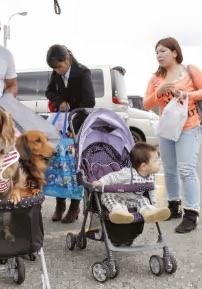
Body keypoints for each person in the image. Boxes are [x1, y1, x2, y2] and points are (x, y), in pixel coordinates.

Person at [143, 36, 202, 233]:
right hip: (167, 128)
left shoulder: (190, 71)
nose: (159, 55)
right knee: (170, 169)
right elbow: (146, 104)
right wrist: (159, 92)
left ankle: (192, 213)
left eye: (163, 51)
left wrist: (187, 95)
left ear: (175, 52)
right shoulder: (156, 78)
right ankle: (174, 206)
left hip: (189, 125)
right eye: (156, 52)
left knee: (186, 170)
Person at [45, 44, 95, 223]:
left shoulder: (83, 73)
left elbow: (89, 101)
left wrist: (72, 111)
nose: (57, 72)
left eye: (59, 67)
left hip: (78, 125)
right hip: (61, 124)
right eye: (54, 69)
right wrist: (60, 101)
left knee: (74, 166)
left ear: (67, 60)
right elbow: (49, 91)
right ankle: (60, 203)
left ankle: (74, 206)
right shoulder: (56, 72)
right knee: (59, 164)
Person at [92, 142, 170, 224]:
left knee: (143, 199)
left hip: (132, 200)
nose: (159, 163)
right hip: (116, 197)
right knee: (107, 195)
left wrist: (153, 204)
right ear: (143, 166)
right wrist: (100, 182)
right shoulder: (128, 174)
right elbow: (111, 177)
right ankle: (119, 213)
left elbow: (151, 191)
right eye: (156, 161)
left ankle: (150, 212)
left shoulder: (150, 176)